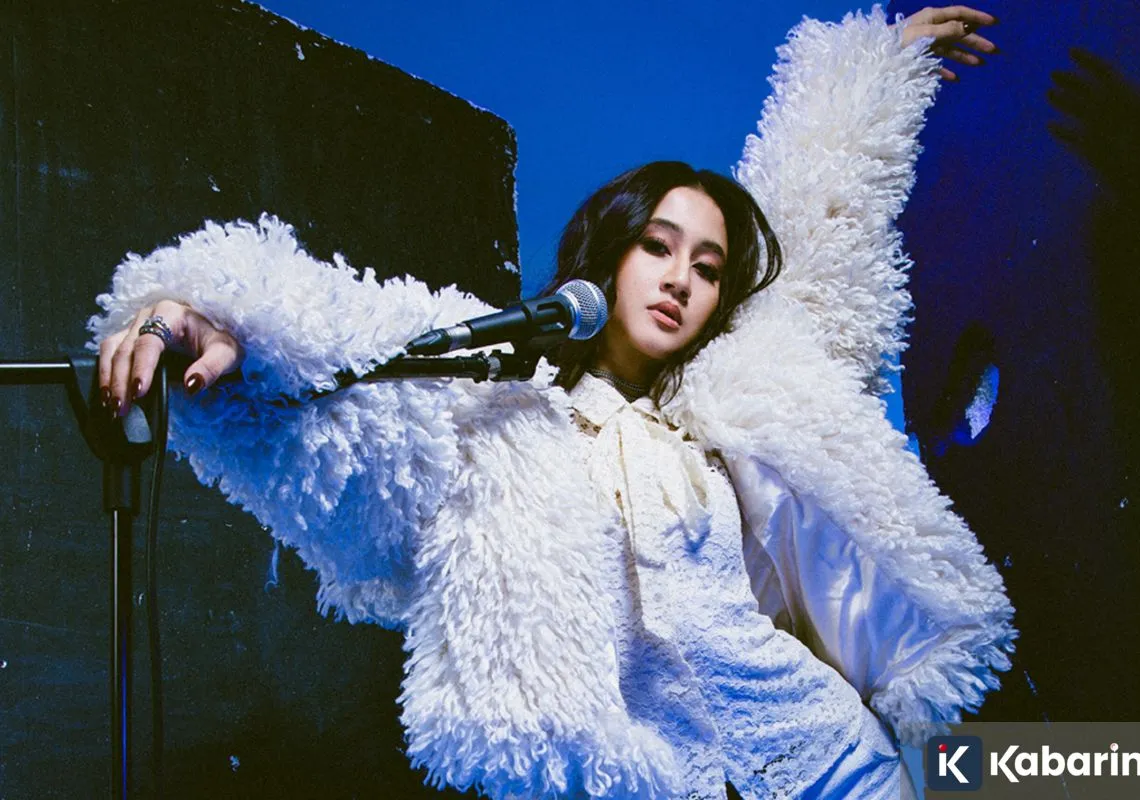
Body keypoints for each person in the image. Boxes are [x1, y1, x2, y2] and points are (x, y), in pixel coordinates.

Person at [88, 6, 1014, 798]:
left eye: (707, 267)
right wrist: (215, 315)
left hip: (838, 764)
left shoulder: (725, 419)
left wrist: (869, 78)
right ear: (610, 253)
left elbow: (821, 244)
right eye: (658, 246)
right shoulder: (504, 421)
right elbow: (352, 349)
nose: (680, 279)